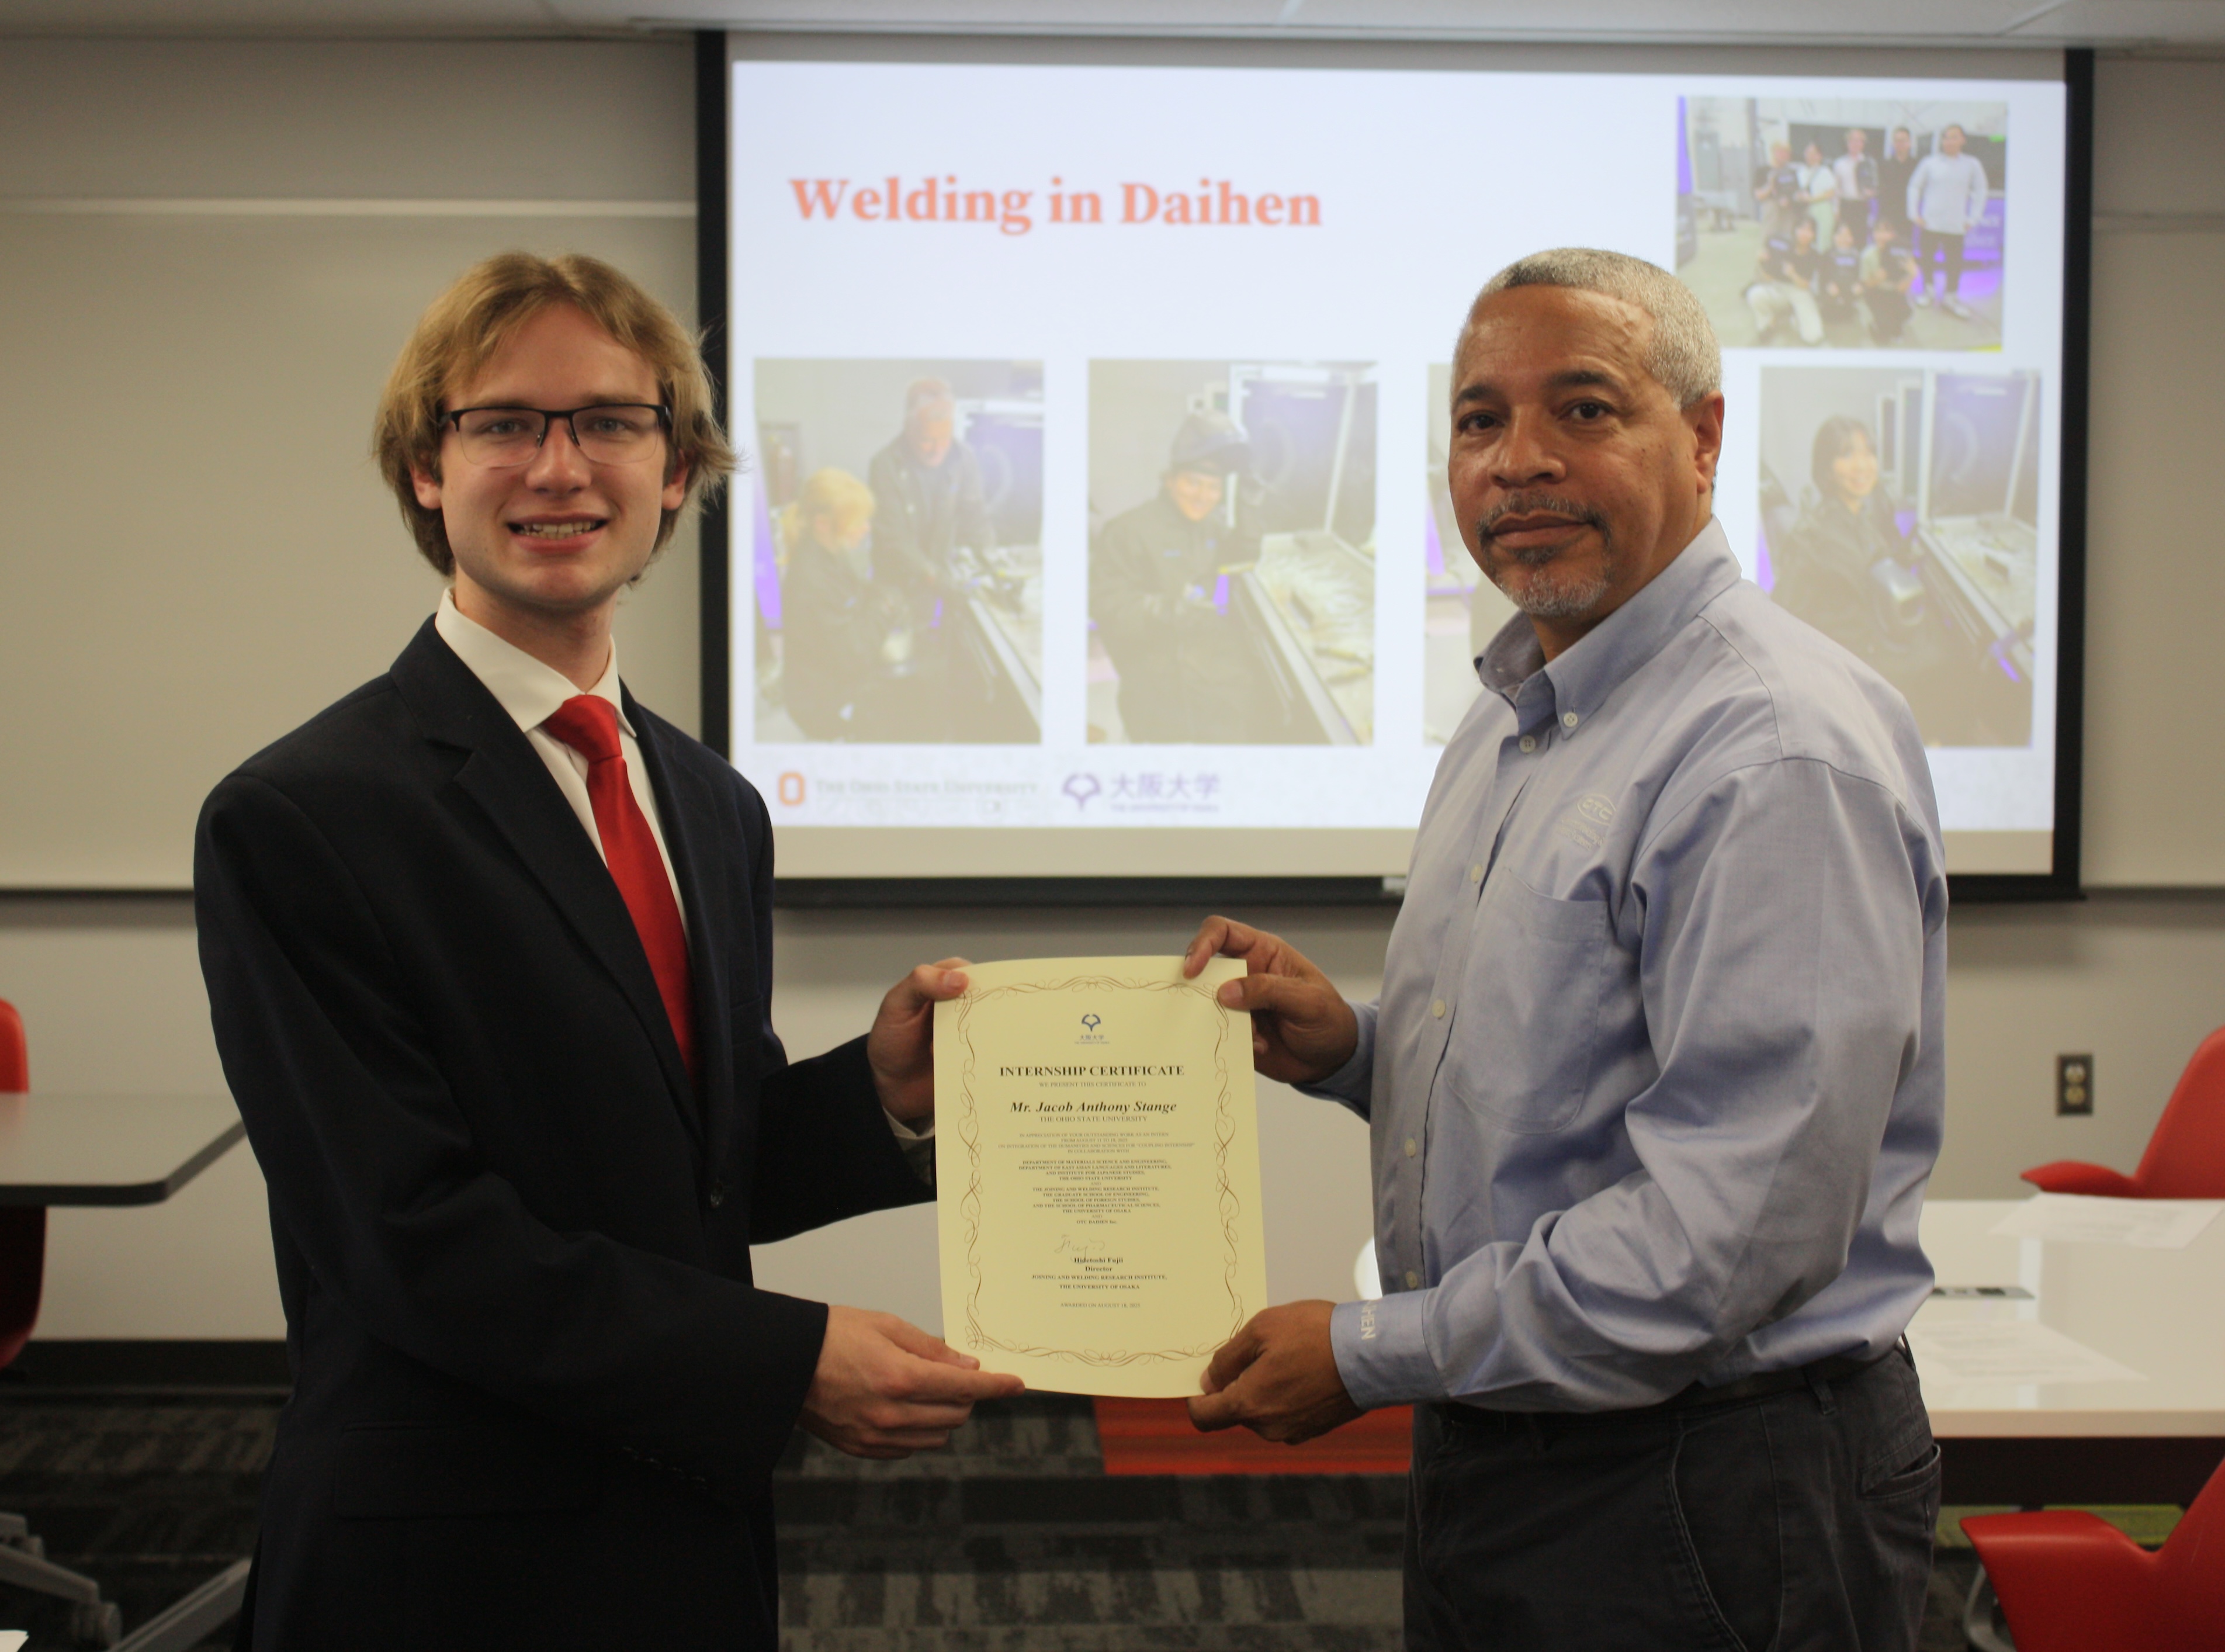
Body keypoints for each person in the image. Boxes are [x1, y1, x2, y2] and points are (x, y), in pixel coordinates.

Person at [195, 253, 1020, 1651]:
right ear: (424, 467)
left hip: (683, 1527)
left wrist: (878, 1089)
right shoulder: (302, 815)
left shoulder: (710, 802)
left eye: (610, 422)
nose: (559, 466)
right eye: (506, 421)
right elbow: (412, 1240)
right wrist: (787, 1359)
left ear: (680, 470)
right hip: (447, 1563)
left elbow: (699, 1167)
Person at [1181, 248, 1946, 1650]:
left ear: (1703, 436)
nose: (1518, 460)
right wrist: (1356, 1048)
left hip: (1708, 1478)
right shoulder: (1524, 698)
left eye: (1582, 410)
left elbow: (1725, 1235)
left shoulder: (1771, 747)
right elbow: (1577, 1058)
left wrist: (1364, 1351)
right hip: (1518, 1445)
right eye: (1481, 420)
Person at [1089, 410, 1273, 743]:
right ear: (1170, 479)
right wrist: (1170, 611)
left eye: (1214, 488)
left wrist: (1249, 511)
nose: (1202, 496)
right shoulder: (1127, 531)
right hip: (1159, 693)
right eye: (1193, 483)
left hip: (1214, 679)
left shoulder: (1210, 527)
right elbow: (1108, 608)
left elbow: (1236, 565)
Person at [1773, 417, 1952, 734]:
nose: (1863, 465)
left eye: (1869, 453)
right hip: (1854, 660)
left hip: (1868, 636)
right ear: (1827, 468)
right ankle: (1933, 740)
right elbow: (1786, 621)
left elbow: (1876, 560)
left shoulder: (1859, 514)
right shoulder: (1814, 538)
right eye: (1847, 455)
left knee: (1939, 632)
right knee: (1950, 658)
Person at [777, 467, 917, 740]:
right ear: (823, 523)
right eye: (857, 522)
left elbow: (855, 591)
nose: (866, 528)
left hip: (831, 678)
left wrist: (883, 594)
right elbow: (855, 655)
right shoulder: (812, 581)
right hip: (822, 704)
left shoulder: (830, 550)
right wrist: (885, 609)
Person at [866, 376, 996, 621]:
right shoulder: (885, 466)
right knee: (897, 646)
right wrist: (937, 579)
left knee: (933, 636)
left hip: (938, 575)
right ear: (909, 428)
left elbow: (975, 516)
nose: (937, 449)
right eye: (927, 441)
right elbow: (894, 540)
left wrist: (991, 561)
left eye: (943, 440)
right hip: (896, 582)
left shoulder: (963, 457)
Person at [1907, 124, 1992, 318]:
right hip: (1930, 223)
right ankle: (1928, 292)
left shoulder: (1972, 164)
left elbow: (1981, 190)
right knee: (1927, 259)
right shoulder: (1930, 163)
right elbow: (1914, 187)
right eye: (1946, 137)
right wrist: (1914, 214)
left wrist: (1974, 218)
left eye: (1954, 137)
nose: (1949, 141)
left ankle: (1950, 297)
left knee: (1954, 263)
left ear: (1963, 140)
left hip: (1956, 225)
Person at [1744, 213, 1825, 345]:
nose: (1805, 233)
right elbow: (1768, 277)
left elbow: (1805, 285)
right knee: (1755, 295)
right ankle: (1767, 324)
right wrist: (1760, 262)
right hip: (1778, 289)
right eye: (1802, 229)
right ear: (1795, 230)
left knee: (1814, 337)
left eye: (1810, 230)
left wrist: (1793, 274)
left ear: (1814, 235)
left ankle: (1794, 317)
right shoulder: (1782, 246)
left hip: (1800, 291)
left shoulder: (1815, 255)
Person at [1860, 218, 1921, 343]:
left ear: (1893, 235)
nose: (1882, 236)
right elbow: (1865, 285)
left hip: (1894, 292)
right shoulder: (1868, 254)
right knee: (1883, 329)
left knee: (1906, 313)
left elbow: (1901, 289)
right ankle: (1878, 323)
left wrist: (1913, 275)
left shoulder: (1903, 253)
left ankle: (1893, 323)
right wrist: (1878, 278)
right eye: (1878, 231)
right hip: (1875, 292)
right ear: (1873, 234)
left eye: (1886, 232)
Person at [1832, 127, 1877, 243]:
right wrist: (1836, 210)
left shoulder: (1870, 163)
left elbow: (1876, 185)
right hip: (1846, 206)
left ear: (1863, 144)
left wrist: (1872, 193)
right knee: (1844, 238)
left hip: (1863, 206)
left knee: (1861, 239)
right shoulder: (1839, 164)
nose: (1855, 144)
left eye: (1859, 141)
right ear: (1847, 143)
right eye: (1852, 140)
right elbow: (1836, 190)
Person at [1751, 140, 1802, 239]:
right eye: (1780, 152)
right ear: (1773, 152)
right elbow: (1758, 195)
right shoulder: (1763, 170)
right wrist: (1770, 185)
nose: (1783, 155)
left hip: (1788, 210)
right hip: (1771, 208)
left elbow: (1796, 191)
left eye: (1786, 152)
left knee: (1788, 237)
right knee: (1769, 236)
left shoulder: (1792, 172)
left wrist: (1793, 199)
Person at [1819, 220, 1866, 325]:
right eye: (1840, 234)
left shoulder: (1857, 255)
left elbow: (1861, 276)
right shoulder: (1827, 254)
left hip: (1849, 291)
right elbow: (1822, 277)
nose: (1844, 239)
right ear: (1834, 237)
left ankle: (1848, 308)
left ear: (1853, 238)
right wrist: (1827, 285)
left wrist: (1860, 286)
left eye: (1848, 235)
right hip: (1832, 292)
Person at [1876, 126, 1919, 237]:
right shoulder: (1884, 164)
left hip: (1907, 215)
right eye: (1897, 141)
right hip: (1888, 214)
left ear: (1910, 143)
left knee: (1905, 248)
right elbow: (1880, 190)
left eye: (1903, 141)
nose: (1900, 144)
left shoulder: (1917, 165)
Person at [1796, 138, 1838, 245]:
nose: (1810, 156)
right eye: (1808, 153)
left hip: (1823, 209)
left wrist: (1811, 199)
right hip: (1806, 210)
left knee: (1823, 240)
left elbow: (1831, 193)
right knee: (1807, 240)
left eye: (1813, 153)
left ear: (1820, 156)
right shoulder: (1800, 172)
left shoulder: (1825, 171)